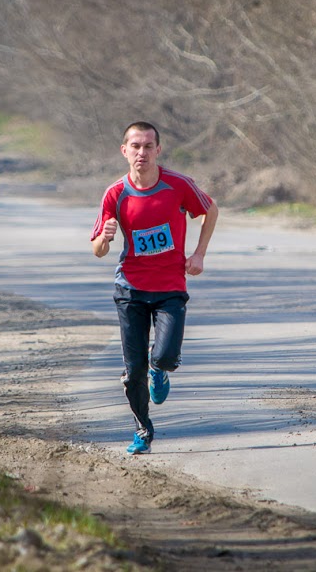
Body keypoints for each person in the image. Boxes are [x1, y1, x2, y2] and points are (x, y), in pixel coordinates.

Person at [90, 121, 218, 455]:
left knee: (164, 357)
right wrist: (104, 238)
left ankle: (159, 370)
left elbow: (210, 209)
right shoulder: (115, 194)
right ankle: (142, 430)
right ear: (124, 151)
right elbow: (97, 250)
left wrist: (199, 253)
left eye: (148, 146)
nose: (141, 152)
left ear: (158, 150)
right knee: (133, 372)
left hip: (170, 287)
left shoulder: (177, 185)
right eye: (135, 146)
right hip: (130, 289)